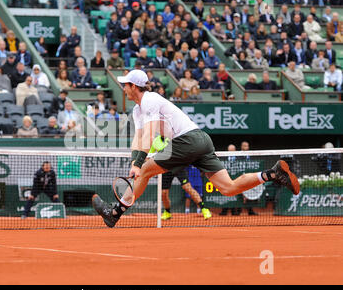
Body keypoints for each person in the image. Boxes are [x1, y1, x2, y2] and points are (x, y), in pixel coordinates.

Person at [92, 70, 300, 228]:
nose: (123, 88)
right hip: (202, 140)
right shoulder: (138, 111)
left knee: (145, 169)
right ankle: (272, 173)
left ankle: (115, 214)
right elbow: (138, 139)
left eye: (125, 85)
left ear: (134, 86)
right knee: (228, 188)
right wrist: (133, 162)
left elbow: (150, 135)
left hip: (187, 140)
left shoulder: (150, 99)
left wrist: (139, 164)